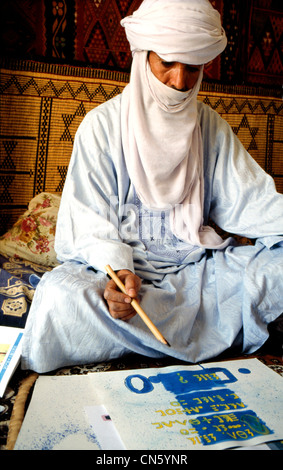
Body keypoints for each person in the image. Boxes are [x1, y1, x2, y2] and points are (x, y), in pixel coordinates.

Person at [21, 0, 283, 373]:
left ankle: (140, 341)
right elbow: (89, 222)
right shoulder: (101, 127)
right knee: (62, 299)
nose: (180, 82)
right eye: (167, 65)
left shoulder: (211, 128)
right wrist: (117, 275)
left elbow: (254, 202)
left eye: (192, 68)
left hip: (198, 275)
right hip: (128, 281)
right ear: (144, 59)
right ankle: (183, 334)